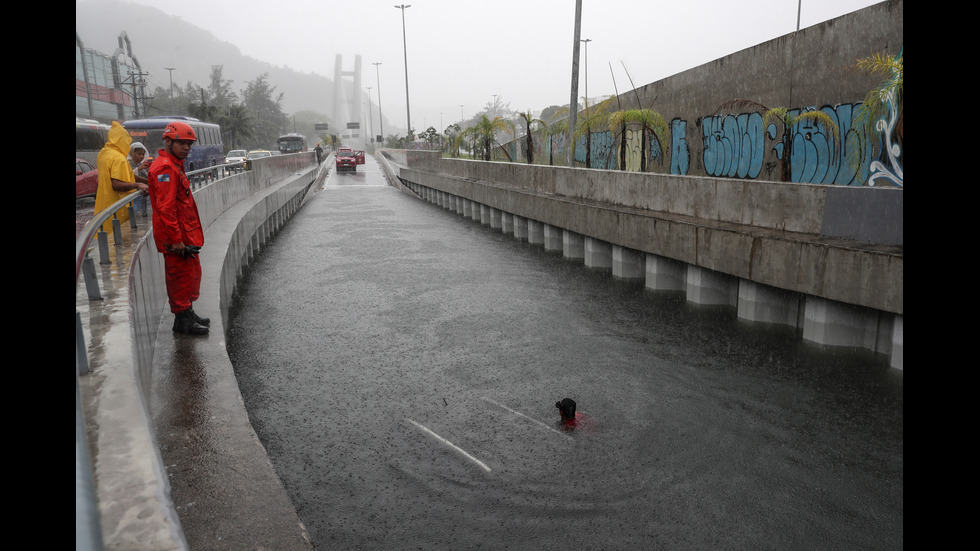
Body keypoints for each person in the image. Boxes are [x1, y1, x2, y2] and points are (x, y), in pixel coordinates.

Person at [148, 121, 210, 335]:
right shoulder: (165, 168)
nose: (186, 148)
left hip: (184, 234)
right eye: (182, 143)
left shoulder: (174, 165)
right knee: (179, 276)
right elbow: (166, 208)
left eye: (189, 144)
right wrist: (176, 240)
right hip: (176, 238)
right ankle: (182, 321)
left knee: (189, 275)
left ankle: (187, 313)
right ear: (167, 141)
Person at [94, 121, 149, 233]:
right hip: (118, 207)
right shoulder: (119, 158)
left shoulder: (103, 154)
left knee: (105, 233)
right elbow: (116, 184)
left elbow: (127, 175)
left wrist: (146, 181)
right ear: (121, 140)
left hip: (104, 205)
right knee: (120, 238)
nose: (128, 146)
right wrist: (138, 185)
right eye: (127, 142)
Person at [128, 141, 152, 214]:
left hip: (144, 196)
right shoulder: (128, 163)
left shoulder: (142, 164)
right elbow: (129, 176)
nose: (141, 156)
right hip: (134, 197)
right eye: (139, 154)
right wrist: (138, 168)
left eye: (142, 154)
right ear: (132, 153)